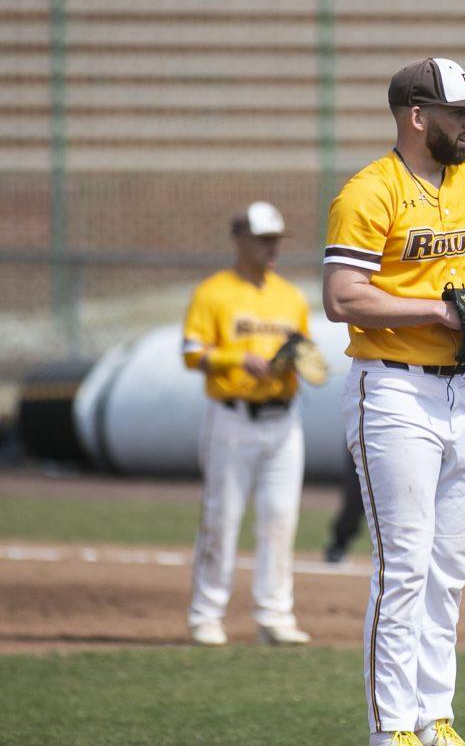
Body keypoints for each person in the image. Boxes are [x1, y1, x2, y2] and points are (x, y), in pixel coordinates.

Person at [322, 57, 465, 746]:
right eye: (459, 112)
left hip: (462, 392)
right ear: (417, 116)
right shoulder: (369, 191)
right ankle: (391, 730)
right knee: (403, 568)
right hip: (393, 390)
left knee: (449, 571)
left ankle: (435, 719)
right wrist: (437, 314)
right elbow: (342, 297)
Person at [181, 201, 312, 647]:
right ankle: (206, 614)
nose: (272, 247)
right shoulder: (213, 292)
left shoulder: (290, 296)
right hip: (232, 417)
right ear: (239, 240)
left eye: (276, 239)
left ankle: (274, 615)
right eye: (263, 239)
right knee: (223, 516)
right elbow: (191, 352)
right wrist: (239, 359)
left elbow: (305, 350)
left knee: (280, 518)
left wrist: (302, 361)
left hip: (283, 419)